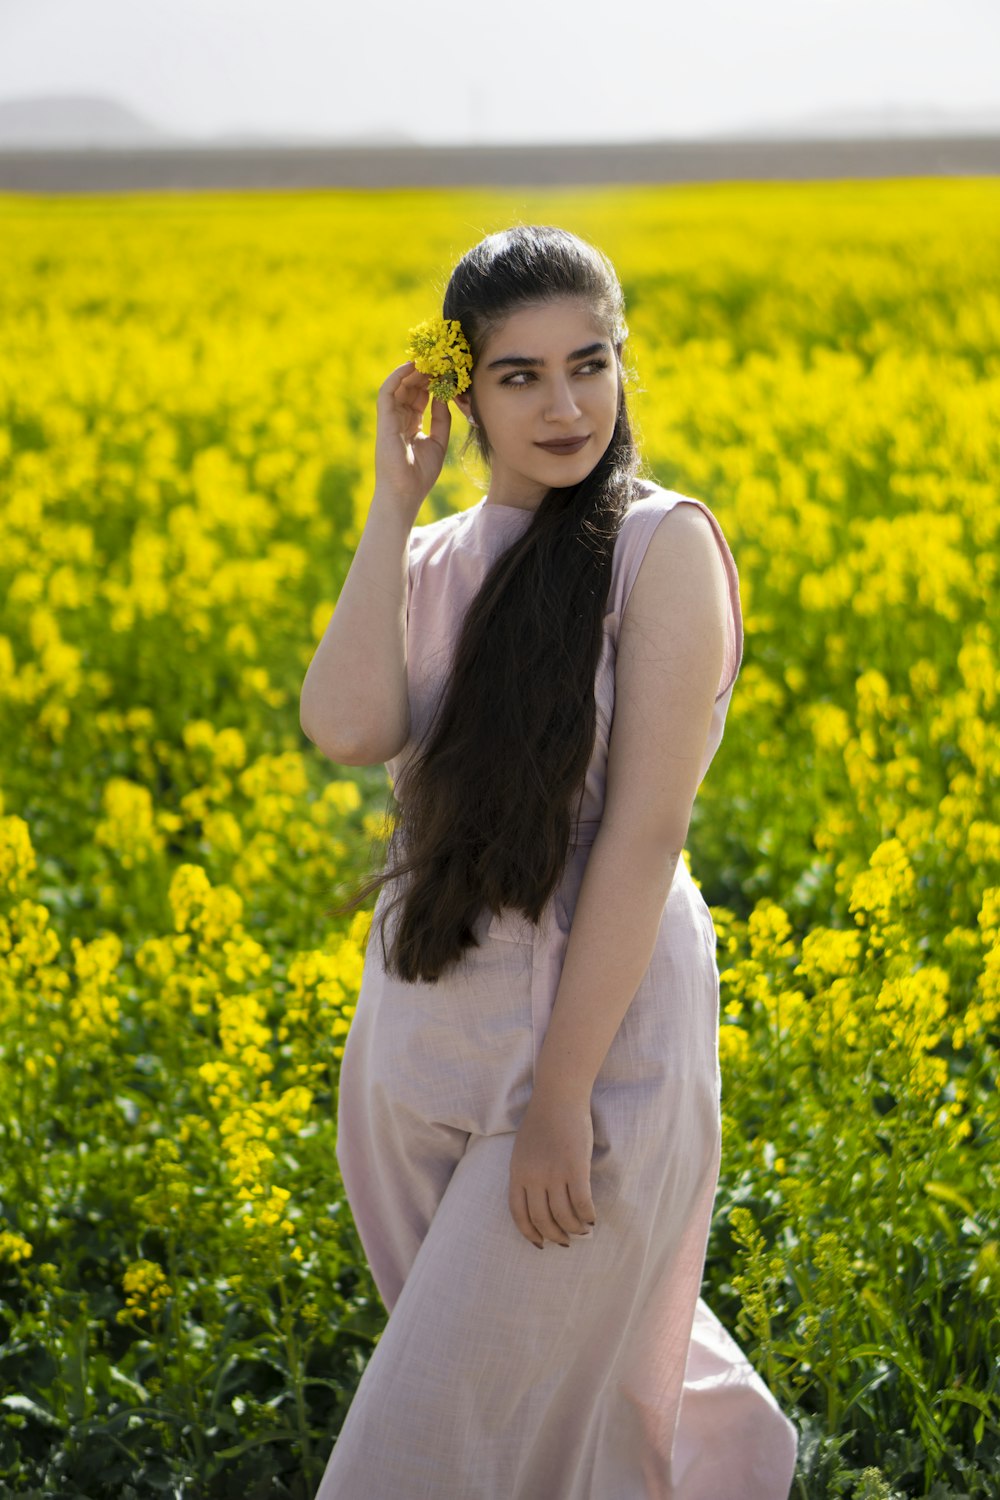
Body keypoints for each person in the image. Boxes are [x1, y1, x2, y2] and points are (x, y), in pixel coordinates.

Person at [300, 225, 798, 1499]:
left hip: (597, 1057)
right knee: (538, 1434)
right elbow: (347, 729)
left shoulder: (659, 545)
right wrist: (393, 495)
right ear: (461, 393)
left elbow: (641, 838)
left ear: (624, 365)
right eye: (518, 376)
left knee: (415, 1460)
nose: (566, 404)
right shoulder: (430, 559)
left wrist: (561, 1100)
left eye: (590, 362)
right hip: (419, 1053)